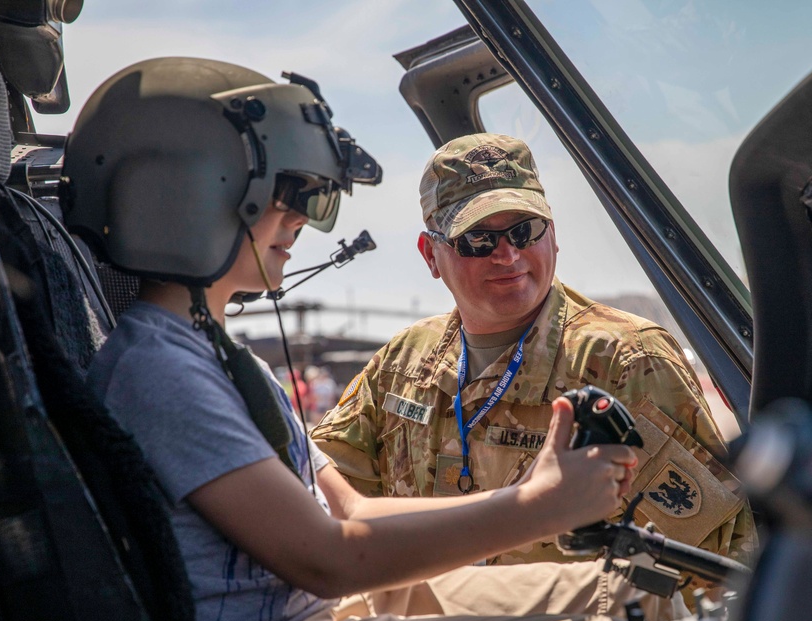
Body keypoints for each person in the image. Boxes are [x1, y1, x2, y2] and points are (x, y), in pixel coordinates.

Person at [71, 58, 639, 621]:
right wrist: (541, 508)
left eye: (309, 200)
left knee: (635, 594)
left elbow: (354, 512)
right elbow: (328, 558)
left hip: (312, 618)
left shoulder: (221, 359)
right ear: (190, 193)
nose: (299, 221)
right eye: (283, 197)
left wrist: (533, 493)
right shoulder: (159, 373)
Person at [312, 133, 756, 580]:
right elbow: (320, 496)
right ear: (431, 255)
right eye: (478, 239)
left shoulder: (625, 360)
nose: (508, 254)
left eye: (525, 230)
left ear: (553, 236)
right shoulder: (401, 363)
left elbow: (713, 563)